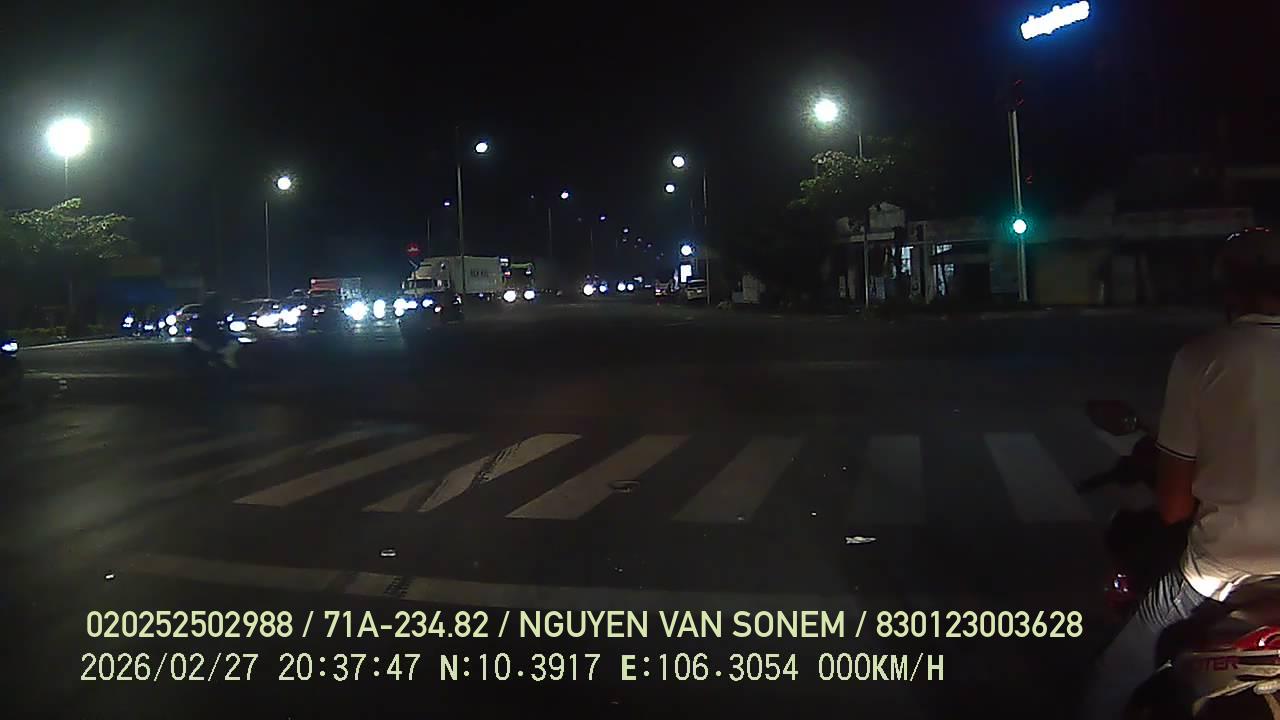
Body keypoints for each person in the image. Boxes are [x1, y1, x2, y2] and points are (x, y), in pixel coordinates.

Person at [1082, 226, 1280, 718]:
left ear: (1228, 289)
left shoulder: (1202, 357)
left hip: (1221, 569)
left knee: (1116, 671)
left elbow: (1173, 506)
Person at [188, 292, 238, 369]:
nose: (223, 309)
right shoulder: (205, 320)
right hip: (209, 351)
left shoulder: (220, 319)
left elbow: (225, 333)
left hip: (217, 349)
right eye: (221, 307)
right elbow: (197, 339)